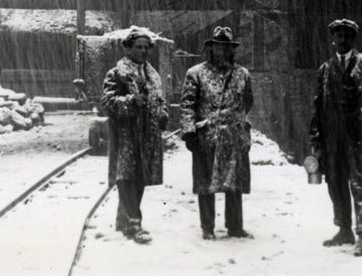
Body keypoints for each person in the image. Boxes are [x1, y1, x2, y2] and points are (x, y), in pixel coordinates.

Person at [309, 18, 362, 257]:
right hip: (332, 137)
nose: (342, 40)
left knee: (359, 183)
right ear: (333, 39)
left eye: (347, 35)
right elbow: (317, 106)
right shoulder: (324, 70)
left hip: (359, 136)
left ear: (354, 38)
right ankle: (344, 229)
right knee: (335, 184)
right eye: (338, 35)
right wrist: (315, 136)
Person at [180, 26, 253, 240]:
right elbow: (187, 105)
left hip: (234, 135)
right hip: (206, 136)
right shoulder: (195, 74)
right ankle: (207, 227)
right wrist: (189, 132)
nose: (222, 52)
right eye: (218, 48)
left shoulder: (242, 74)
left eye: (226, 48)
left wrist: (234, 121)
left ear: (232, 50)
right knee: (206, 184)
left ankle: (235, 226)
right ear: (210, 49)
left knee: (234, 183)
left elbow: (248, 101)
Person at [101, 26, 168, 244]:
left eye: (146, 47)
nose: (143, 51)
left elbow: (160, 101)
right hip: (126, 136)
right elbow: (107, 102)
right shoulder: (116, 74)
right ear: (127, 49)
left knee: (139, 179)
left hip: (147, 136)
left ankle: (124, 220)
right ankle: (133, 224)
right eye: (138, 47)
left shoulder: (153, 75)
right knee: (126, 178)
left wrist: (163, 114)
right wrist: (130, 101)